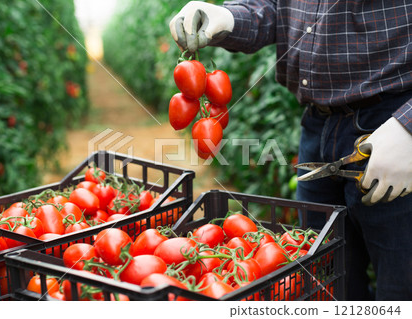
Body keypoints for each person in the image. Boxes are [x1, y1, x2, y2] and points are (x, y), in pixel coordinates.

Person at [169, 1, 412, 301]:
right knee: (327, 285)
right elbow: (274, 9)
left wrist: (408, 125)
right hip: (315, 128)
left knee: (401, 291)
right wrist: (230, 17)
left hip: (393, 131)